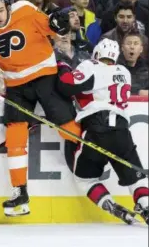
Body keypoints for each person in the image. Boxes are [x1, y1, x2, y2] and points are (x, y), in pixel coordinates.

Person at [0, 0, 81, 217]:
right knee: (15, 136)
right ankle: (20, 193)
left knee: (67, 127)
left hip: (45, 76)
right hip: (16, 86)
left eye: (1, 9)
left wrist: (59, 23)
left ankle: (92, 155)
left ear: (8, 6)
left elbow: (51, 27)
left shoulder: (26, 10)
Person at [57, 38, 149, 225]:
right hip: (123, 132)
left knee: (85, 180)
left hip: (96, 129)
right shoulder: (124, 72)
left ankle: (109, 204)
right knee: (136, 178)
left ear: (97, 53)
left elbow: (66, 84)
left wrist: (63, 66)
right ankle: (145, 205)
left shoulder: (90, 65)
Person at [118, 31, 149, 96]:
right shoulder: (114, 68)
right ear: (122, 48)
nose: (132, 47)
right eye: (129, 43)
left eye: (136, 44)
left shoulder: (146, 71)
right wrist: (138, 92)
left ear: (141, 49)